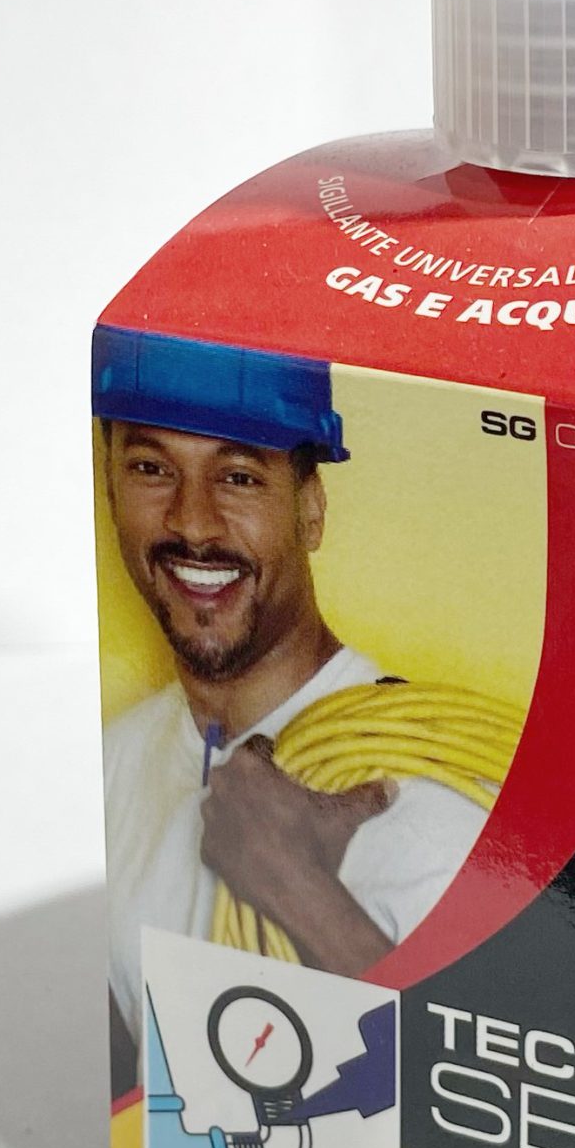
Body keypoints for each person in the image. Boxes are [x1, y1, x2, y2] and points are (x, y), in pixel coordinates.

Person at [101, 407, 487, 1049]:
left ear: (311, 511)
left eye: (240, 477)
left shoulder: (436, 801)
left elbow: (478, 1084)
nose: (192, 521)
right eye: (151, 469)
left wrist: (298, 886)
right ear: (110, 494)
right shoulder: (113, 762)